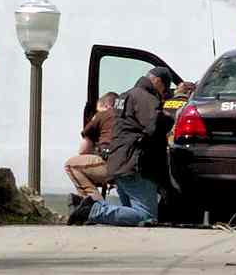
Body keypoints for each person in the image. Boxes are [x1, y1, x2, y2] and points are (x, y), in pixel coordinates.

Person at [67, 67, 174, 226]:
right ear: (158, 81)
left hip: (119, 164)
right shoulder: (144, 96)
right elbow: (154, 126)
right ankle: (93, 210)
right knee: (146, 216)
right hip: (136, 166)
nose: (163, 94)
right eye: (164, 90)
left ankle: (85, 205)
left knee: (130, 215)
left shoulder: (123, 97)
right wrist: (170, 118)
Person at [64, 92, 118, 205]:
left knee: (71, 165)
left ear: (107, 106)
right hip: (132, 166)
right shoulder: (128, 116)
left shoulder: (103, 115)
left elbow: (83, 150)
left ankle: (96, 206)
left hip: (112, 164)